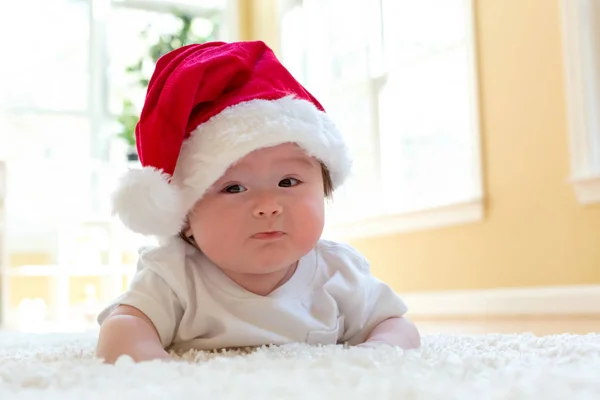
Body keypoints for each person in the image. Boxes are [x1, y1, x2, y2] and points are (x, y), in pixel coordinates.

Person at [95, 40, 421, 364]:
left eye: (288, 182)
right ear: (186, 217)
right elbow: (124, 327)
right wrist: (158, 369)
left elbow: (396, 328)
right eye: (234, 188)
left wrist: (374, 355)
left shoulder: (337, 272)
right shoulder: (175, 275)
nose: (268, 205)